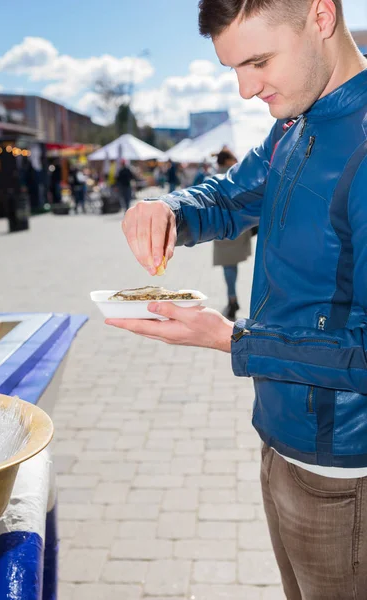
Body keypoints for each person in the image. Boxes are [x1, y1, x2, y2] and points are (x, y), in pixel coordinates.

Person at [107, 1, 367, 597]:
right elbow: (228, 197)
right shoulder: (293, 123)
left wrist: (228, 337)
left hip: (345, 473)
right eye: (234, 69)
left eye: (258, 61)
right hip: (279, 440)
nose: (247, 89)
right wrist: (165, 208)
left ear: (321, 17)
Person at [213, 147, 253, 320]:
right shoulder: (236, 176)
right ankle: (232, 297)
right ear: (227, 161)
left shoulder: (213, 178)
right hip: (239, 225)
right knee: (232, 265)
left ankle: (232, 297)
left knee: (228, 266)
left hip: (221, 227)